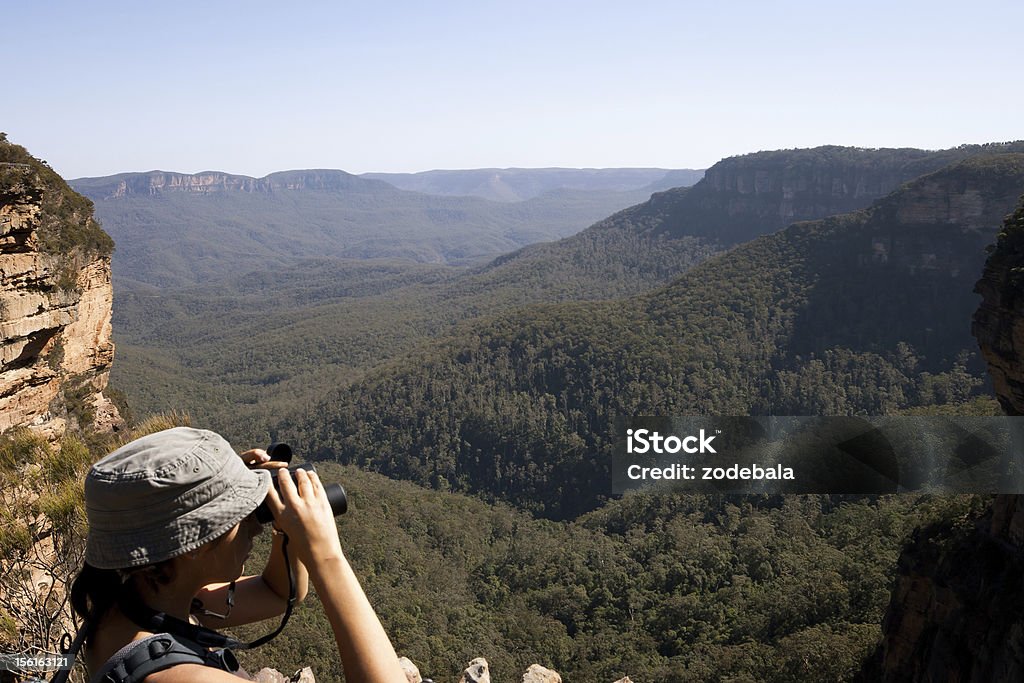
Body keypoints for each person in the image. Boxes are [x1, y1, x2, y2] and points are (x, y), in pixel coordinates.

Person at [67, 426, 406, 682]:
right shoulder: (183, 678)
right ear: (191, 546)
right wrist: (327, 557)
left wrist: (282, 527)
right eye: (238, 515)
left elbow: (278, 593)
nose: (253, 524)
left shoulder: (139, 601)